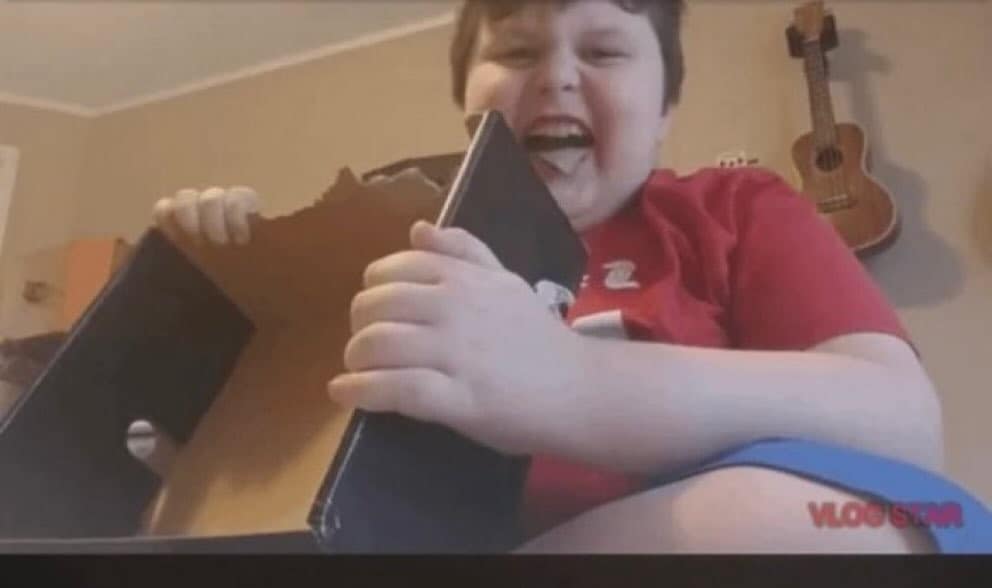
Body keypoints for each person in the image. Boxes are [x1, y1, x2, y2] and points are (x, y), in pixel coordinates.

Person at [153, 0, 992, 553]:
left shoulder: (733, 210)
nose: (555, 75)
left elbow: (903, 421)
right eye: (518, 50)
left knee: (847, 522)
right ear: (468, 102)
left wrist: (570, 383)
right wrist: (232, 296)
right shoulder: (402, 242)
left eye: (604, 51)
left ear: (664, 111)